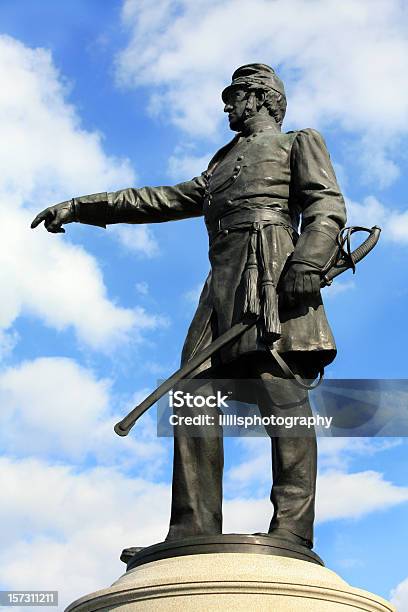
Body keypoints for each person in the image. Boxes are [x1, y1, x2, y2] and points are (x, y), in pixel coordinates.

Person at [31, 64, 346, 550]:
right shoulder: (220, 166)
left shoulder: (298, 142)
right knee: (192, 394)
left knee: (280, 395)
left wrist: (307, 261)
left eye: (235, 96)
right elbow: (156, 199)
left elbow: (325, 205)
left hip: (272, 272)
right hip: (221, 284)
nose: (227, 106)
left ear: (261, 98)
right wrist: (81, 206)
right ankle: (193, 528)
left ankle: (292, 530)